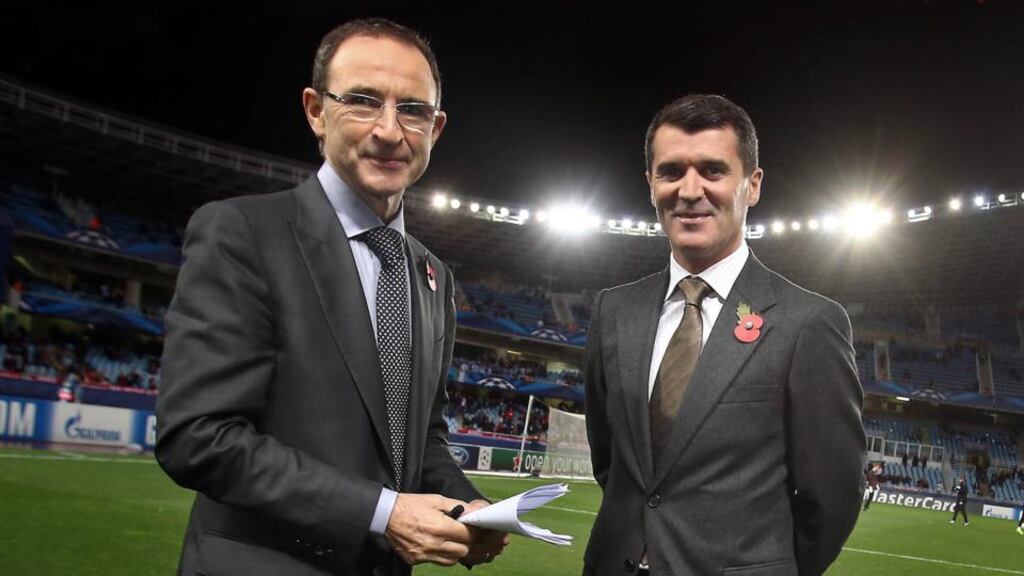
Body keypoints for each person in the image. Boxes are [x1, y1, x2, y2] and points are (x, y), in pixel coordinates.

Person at [156, 18, 506, 576]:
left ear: (436, 129)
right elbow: (198, 438)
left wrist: (473, 507)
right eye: (364, 101)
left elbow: (422, 435)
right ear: (316, 110)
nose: (390, 130)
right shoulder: (243, 232)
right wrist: (382, 513)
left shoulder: (432, 274)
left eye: (412, 110)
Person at [583, 94, 864, 576]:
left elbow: (832, 496)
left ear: (752, 185)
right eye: (671, 172)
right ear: (650, 184)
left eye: (713, 170)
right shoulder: (613, 310)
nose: (690, 190)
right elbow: (611, 463)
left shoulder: (809, 323)